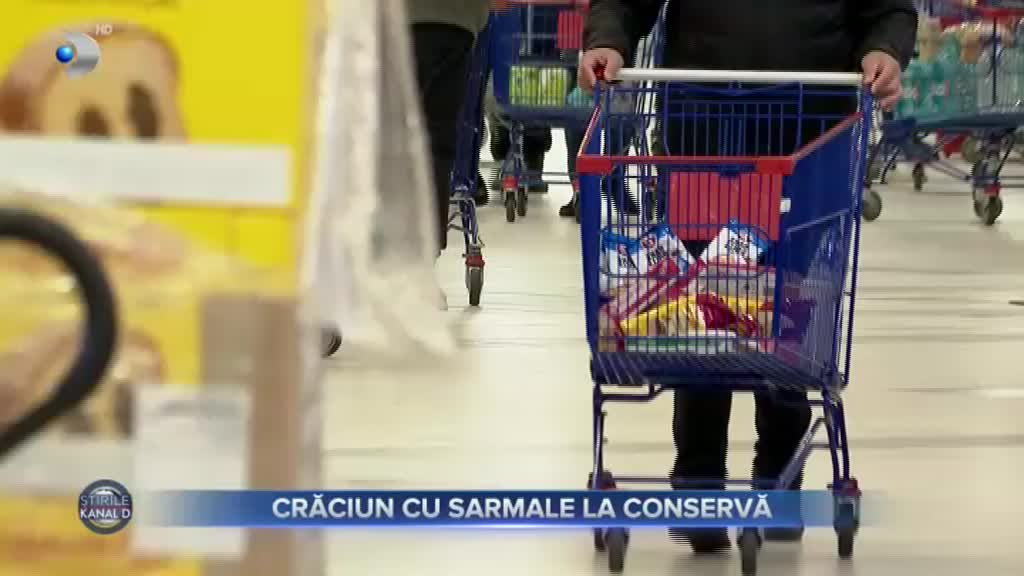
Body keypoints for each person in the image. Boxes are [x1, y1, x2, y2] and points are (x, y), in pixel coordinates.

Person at [578, 0, 916, 553]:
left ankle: (778, 476)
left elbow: (888, 9)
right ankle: (698, 480)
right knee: (699, 303)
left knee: (789, 303)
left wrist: (885, 50)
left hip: (812, 134)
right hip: (702, 127)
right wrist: (608, 39)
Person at [408, 0, 492, 272]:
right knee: (437, 138)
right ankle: (424, 256)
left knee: (393, 136)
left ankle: (391, 250)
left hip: (394, 18)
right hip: (456, 19)